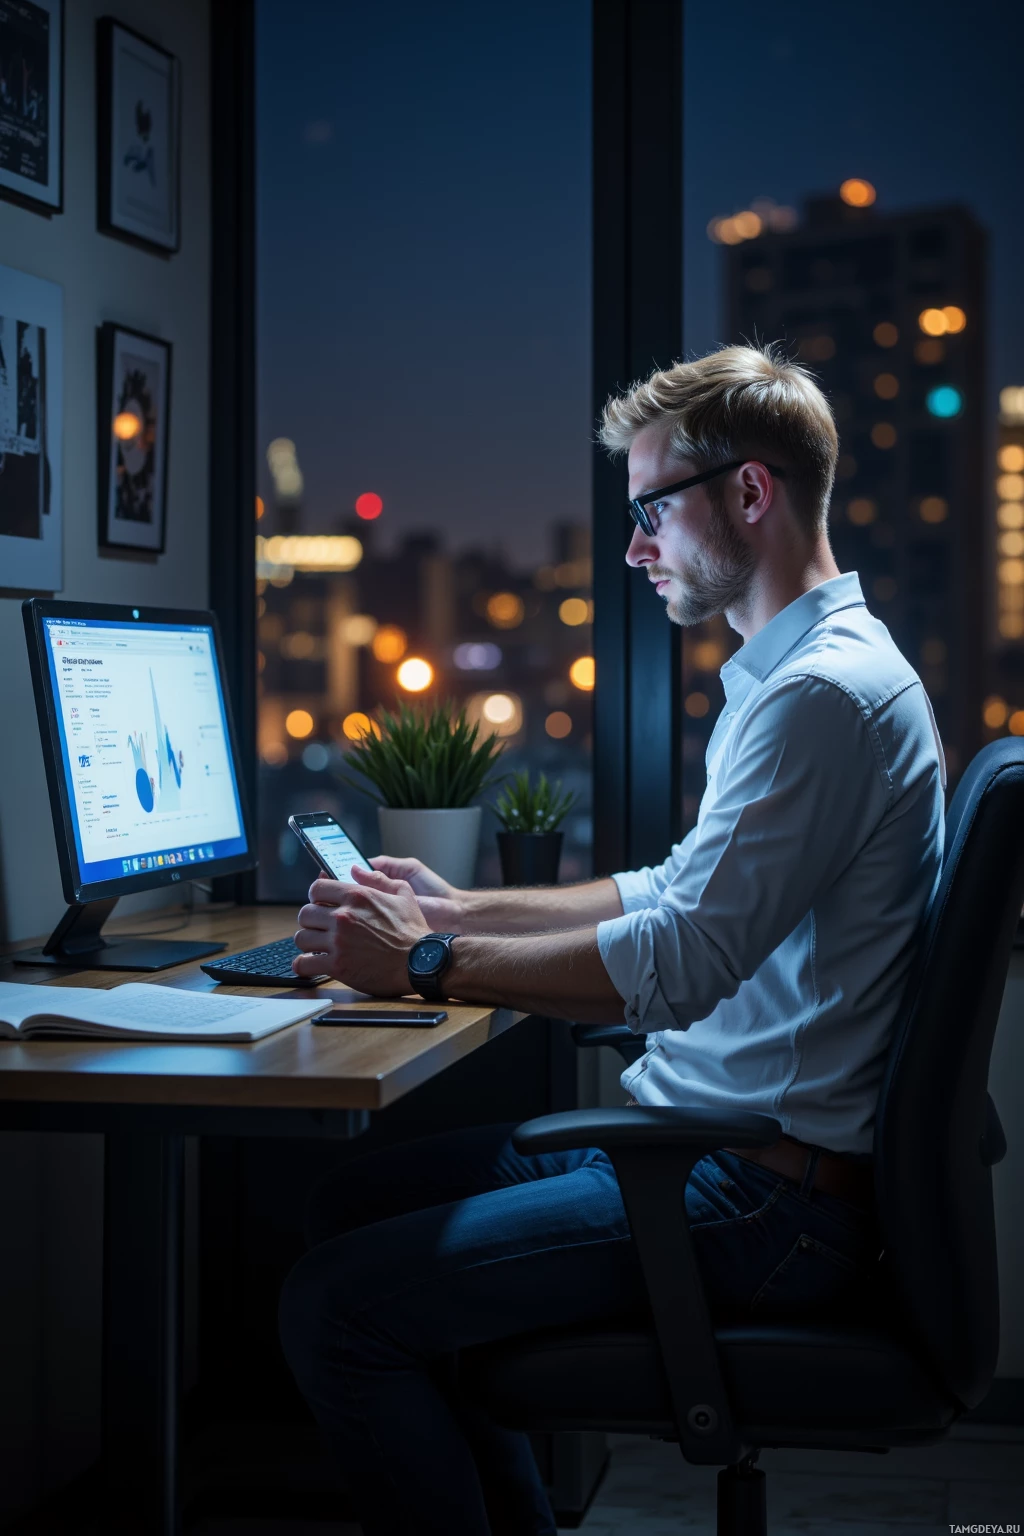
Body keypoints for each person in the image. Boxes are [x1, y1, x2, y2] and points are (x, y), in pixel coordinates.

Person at [278, 343, 945, 1536]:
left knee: (336, 1308)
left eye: (651, 511)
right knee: (346, 1210)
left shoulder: (823, 698)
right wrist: (454, 910)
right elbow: (673, 890)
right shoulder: (799, 679)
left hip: (758, 1196)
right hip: (706, 1147)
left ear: (749, 494)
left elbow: (683, 965)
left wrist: (423, 964)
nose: (635, 547)